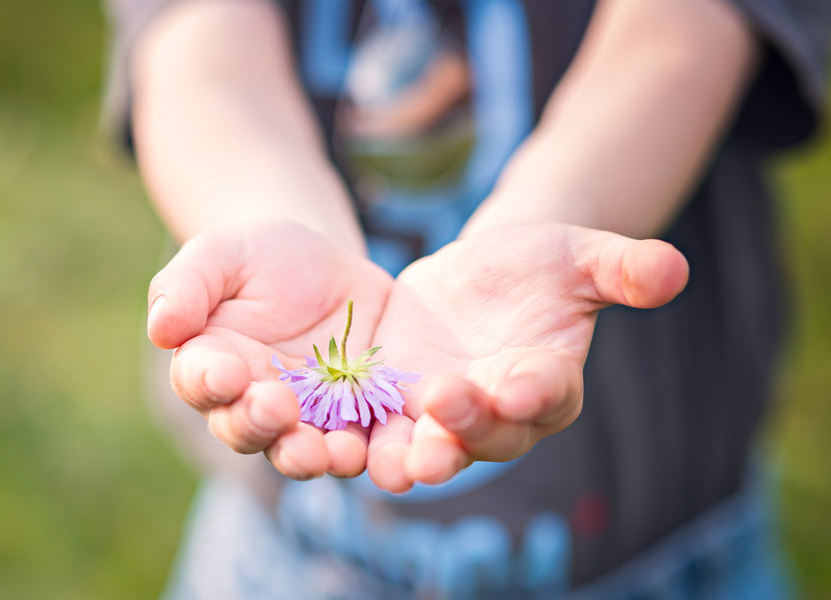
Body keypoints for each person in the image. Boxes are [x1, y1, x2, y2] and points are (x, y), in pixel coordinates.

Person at [103, 0, 829, 597]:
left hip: (672, 557)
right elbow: (195, 43)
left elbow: (682, 31)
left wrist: (555, 214)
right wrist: (264, 212)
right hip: (285, 555)